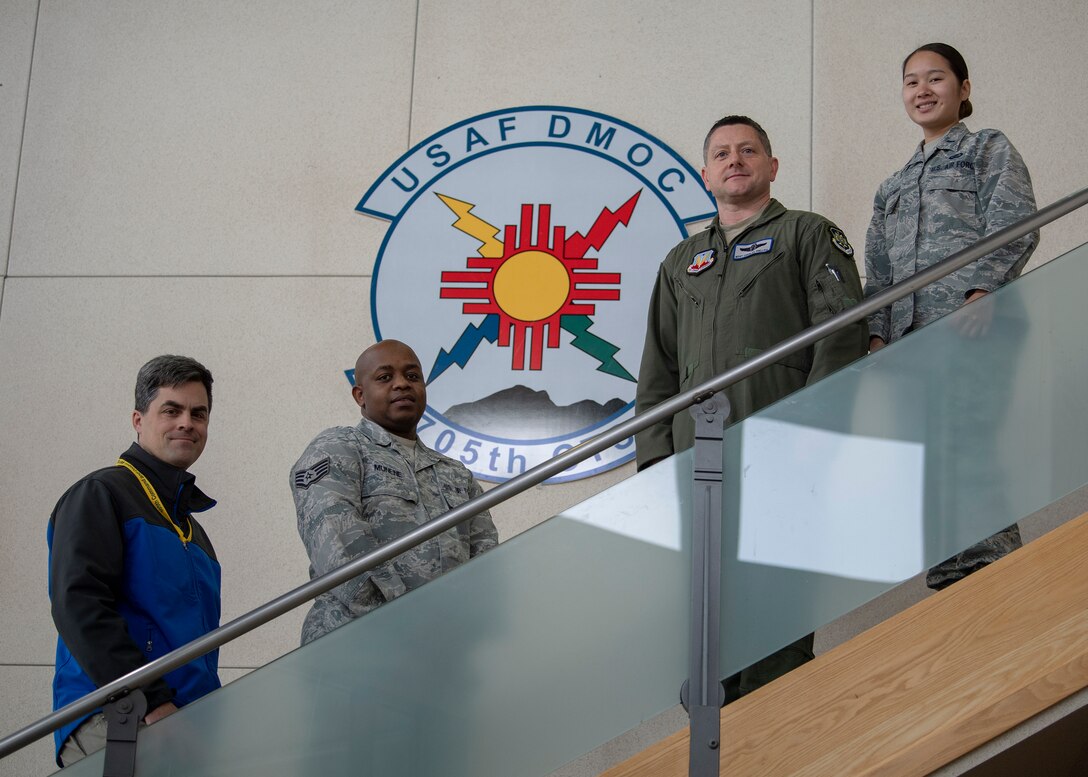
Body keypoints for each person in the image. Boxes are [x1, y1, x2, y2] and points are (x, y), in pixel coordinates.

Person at [635, 116, 868, 700]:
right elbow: (658, 370)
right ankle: (716, 733)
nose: (734, 160)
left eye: (748, 150)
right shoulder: (680, 261)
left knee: (775, 606)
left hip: (784, 453)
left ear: (772, 166)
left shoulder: (807, 234)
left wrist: (817, 428)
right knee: (705, 619)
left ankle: (772, 733)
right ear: (705, 174)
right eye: (721, 153)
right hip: (696, 462)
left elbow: (842, 332)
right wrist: (655, 465)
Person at [864, 43, 1037, 589]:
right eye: (911, 81)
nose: (922, 90)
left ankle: (992, 581)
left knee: (969, 451)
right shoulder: (892, 185)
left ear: (963, 89)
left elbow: (1015, 220)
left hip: (971, 330)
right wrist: (876, 336)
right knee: (925, 466)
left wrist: (984, 289)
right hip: (911, 348)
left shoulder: (985, 148)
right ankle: (949, 588)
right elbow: (879, 271)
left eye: (935, 78)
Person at [48, 355, 221, 766]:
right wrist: (148, 700)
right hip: (121, 716)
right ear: (138, 420)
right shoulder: (100, 493)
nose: (187, 423)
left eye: (198, 413)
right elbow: (80, 605)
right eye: (171, 410)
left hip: (186, 724)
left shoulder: (194, 532)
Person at [292, 339, 498, 645]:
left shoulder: (456, 473)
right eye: (385, 377)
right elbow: (336, 544)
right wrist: (401, 621)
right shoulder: (339, 448)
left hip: (445, 647)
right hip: (356, 646)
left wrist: (465, 629)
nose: (402, 384)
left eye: (413, 376)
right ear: (360, 395)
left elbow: (486, 559)